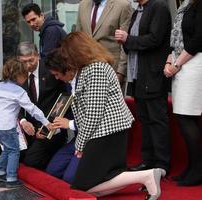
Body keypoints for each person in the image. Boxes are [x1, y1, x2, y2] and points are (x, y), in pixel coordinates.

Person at [53, 31, 165, 200]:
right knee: (84, 185)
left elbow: (94, 112)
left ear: (77, 51)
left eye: (67, 54)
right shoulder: (88, 68)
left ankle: (147, 176)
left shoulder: (96, 68)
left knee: (82, 185)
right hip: (102, 131)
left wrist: (80, 144)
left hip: (108, 131)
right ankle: (146, 176)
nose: (66, 59)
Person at [115, 0, 172, 175]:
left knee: (157, 120)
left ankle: (162, 165)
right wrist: (125, 39)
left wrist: (127, 38)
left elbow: (155, 39)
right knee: (145, 120)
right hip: (138, 75)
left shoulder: (159, 7)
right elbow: (134, 41)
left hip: (153, 75)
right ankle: (148, 162)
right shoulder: (137, 10)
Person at [0, 57, 52, 188]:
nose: (26, 78)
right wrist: (45, 121)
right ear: (19, 75)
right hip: (8, 126)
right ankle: (11, 178)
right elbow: (32, 109)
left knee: (6, 149)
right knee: (14, 151)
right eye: (25, 75)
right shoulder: (19, 92)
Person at [164, 0, 202, 186]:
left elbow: (198, 39)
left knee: (186, 116)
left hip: (194, 62)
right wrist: (170, 62)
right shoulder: (185, 5)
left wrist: (177, 64)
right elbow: (175, 39)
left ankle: (198, 169)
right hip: (181, 62)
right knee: (185, 116)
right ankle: (193, 166)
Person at [17, 41, 67, 170]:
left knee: (32, 161)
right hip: (29, 128)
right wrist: (22, 121)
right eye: (24, 61)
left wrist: (46, 127)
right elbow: (12, 102)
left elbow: (64, 99)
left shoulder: (51, 70)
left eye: (31, 60)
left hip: (51, 125)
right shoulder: (17, 73)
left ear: (38, 56)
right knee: (17, 158)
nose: (28, 65)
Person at [76, 0, 133, 87]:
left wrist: (120, 72)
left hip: (112, 70)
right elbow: (78, 38)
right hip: (86, 69)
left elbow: (125, 42)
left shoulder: (123, 5)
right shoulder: (83, 5)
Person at [45, 48, 79, 184]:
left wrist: (69, 124)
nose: (57, 78)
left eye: (57, 74)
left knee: (70, 178)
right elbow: (70, 111)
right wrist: (56, 125)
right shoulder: (69, 85)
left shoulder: (88, 78)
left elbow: (94, 117)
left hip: (92, 139)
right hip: (78, 137)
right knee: (53, 171)